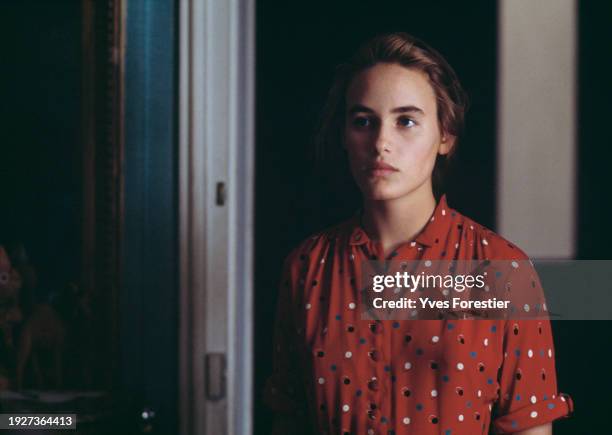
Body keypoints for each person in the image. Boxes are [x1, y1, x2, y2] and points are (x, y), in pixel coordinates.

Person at [263, 32, 572, 435]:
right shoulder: (307, 268)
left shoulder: (503, 270)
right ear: (343, 135)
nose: (381, 143)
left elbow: (529, 427)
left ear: (445, 135)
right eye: (363, 122)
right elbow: (289, 421)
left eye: (405, 121)